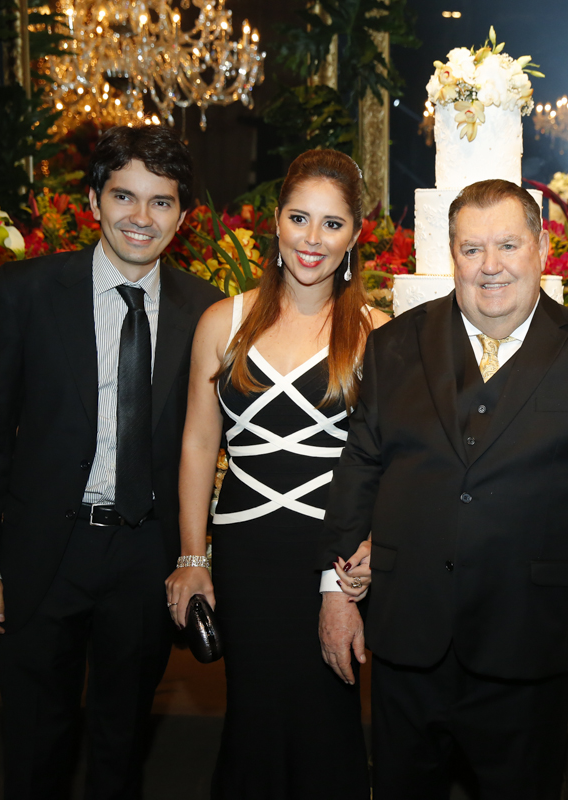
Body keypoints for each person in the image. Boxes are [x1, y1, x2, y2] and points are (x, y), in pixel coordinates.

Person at [317, 178, 568, 800]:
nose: (490, 265)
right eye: (472, 249)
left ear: (541, 248)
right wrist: (335, 592)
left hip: (527, 643)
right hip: (408, 636)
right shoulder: (394, 344)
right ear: (453, 256)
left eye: (507, 245)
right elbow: (360, 465)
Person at [0, 125, 223, 799]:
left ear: (182, 216)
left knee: (121, 749)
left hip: (146, 557)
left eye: (161, 202)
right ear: (95, 201)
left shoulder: (206, 311)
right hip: (45, 550)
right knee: (34, 747)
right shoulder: (28, 291)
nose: (141, 217)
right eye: (124, 196)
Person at [165, 149, 386, 798]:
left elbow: (390, 463)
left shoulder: (376, 333)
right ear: (277, 222)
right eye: (299, 218)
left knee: (327, 724)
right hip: (247, 555)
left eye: (332, 223)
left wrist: (372, 547)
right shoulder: (222, 322)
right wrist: (192, 556)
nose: (312, 239)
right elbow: (197, 445)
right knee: (254, 721)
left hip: (333, 561)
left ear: (354, 235)